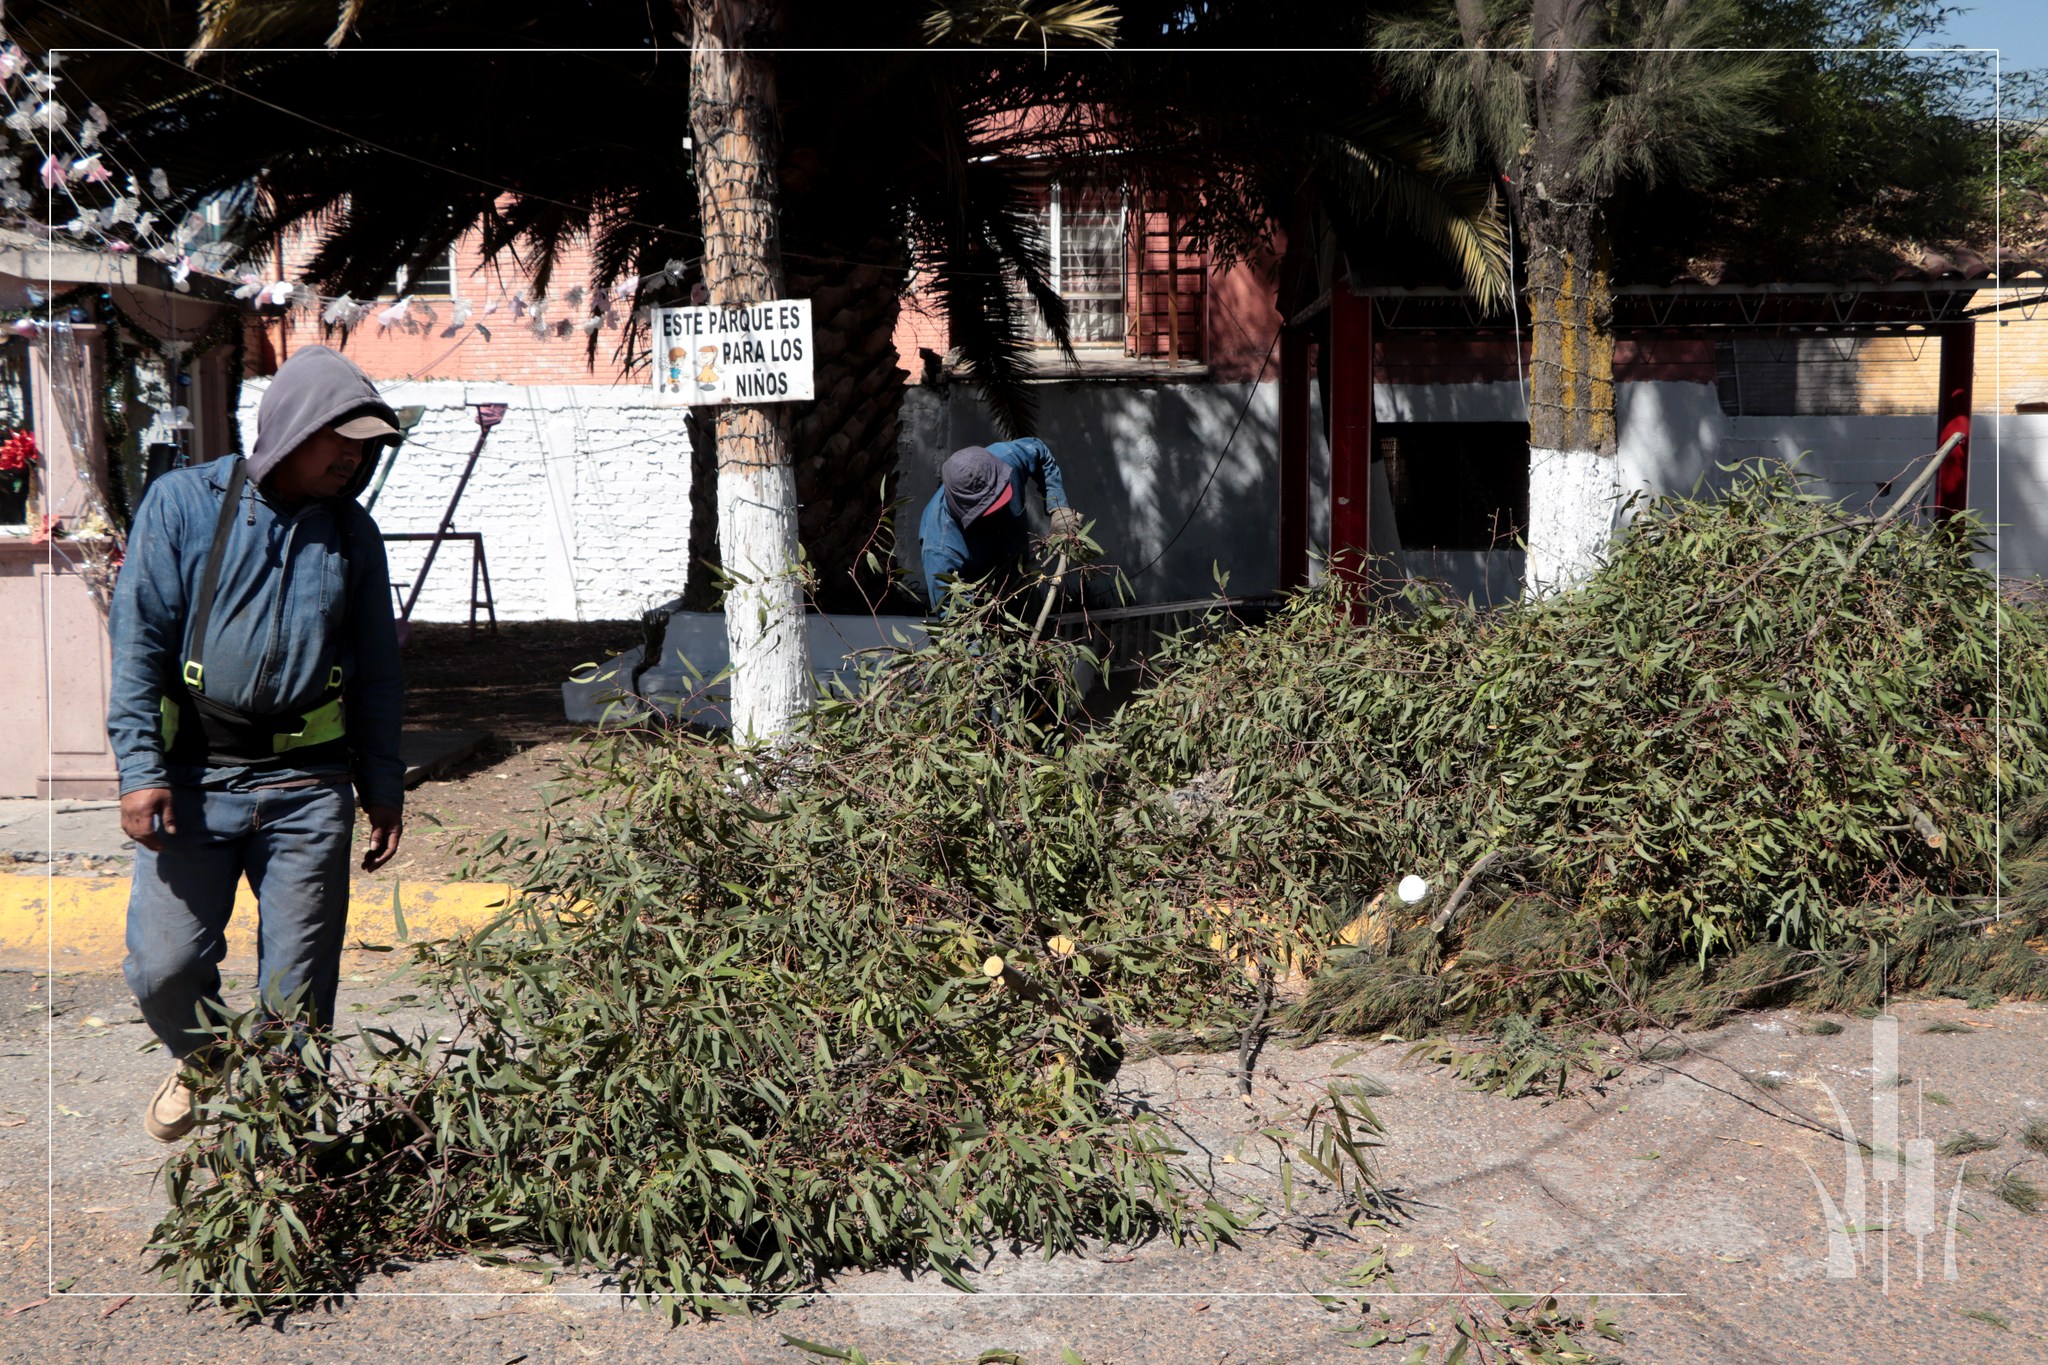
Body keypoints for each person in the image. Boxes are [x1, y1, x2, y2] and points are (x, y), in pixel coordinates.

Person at [106, 345, 407, 1142]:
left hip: (309, 788)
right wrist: (139, 768)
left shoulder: (353, 535)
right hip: (195, 779)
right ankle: (204, 1059)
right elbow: (138, 645)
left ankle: (280, 1168)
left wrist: (382, 782)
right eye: (339, 438)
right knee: (162, 967)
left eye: (367, 445)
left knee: (297, 995)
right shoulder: (181, 505)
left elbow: (378, 667)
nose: (353, 457)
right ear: (292, 427)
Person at [918, 439, 1082, 613]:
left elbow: (1038, 452)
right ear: (966, 511)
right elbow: (957, 621)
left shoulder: (1007, 459)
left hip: (1020, 581)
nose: (1000, 510)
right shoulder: (941, 549)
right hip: (982, 606)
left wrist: (1058, 507)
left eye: (1002, 499)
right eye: (989, 510)